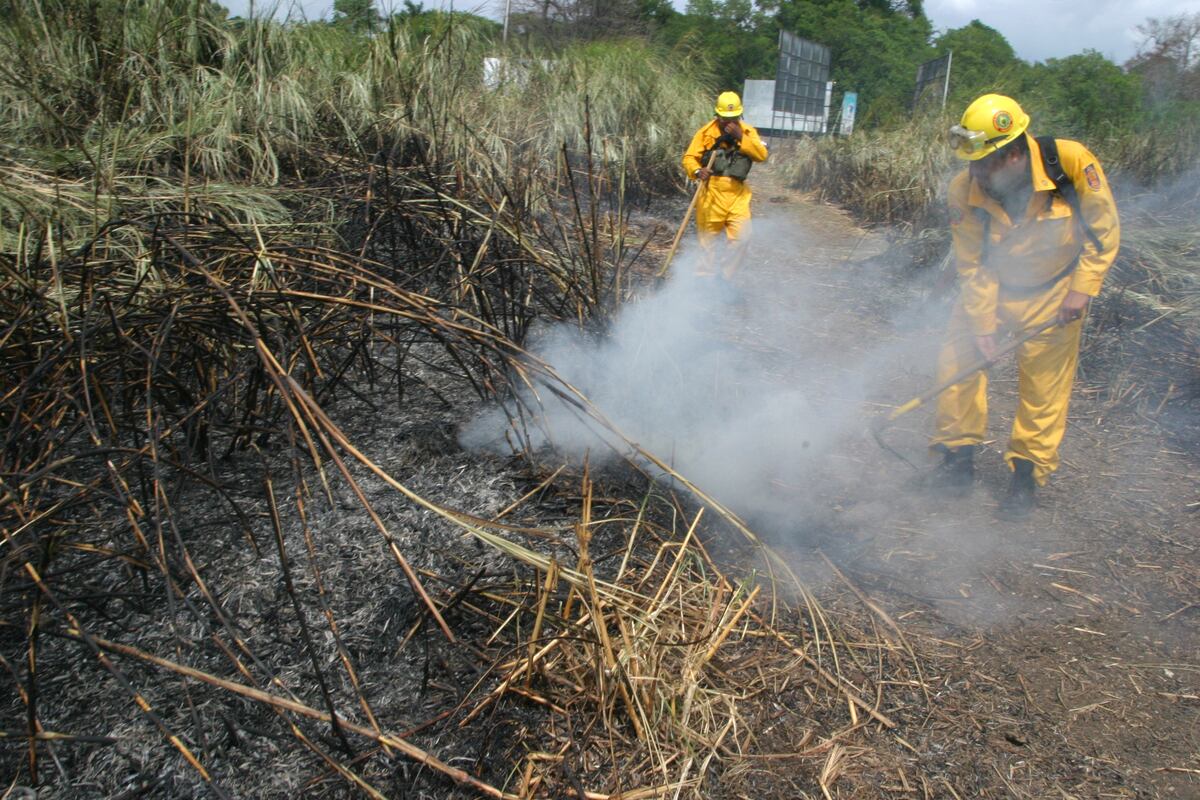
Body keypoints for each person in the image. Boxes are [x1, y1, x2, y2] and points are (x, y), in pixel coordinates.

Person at [929, 93, 1120, 518]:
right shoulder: (964, 190)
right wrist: (982, 325)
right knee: (957, 369)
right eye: (971, 162)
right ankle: (956, 464)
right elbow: (972, 264)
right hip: (991, 290)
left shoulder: (1069, 164)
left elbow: (1103, 232)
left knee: (1043, 391)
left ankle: (1025, 479)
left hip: (1053, 293)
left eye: (984, 162)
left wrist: (1082, 289)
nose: (974, 171)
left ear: (1014, 153)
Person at [681, 91, 769, 285]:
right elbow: (689, 158)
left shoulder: (748, 132)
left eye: (734, 118)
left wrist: (741, 138)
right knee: (707, 243)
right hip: (711, 193)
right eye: (725, 118)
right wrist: (697, 172)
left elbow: (761, 155)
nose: (729, 122)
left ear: (740, 115)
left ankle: (725, 279)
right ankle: (704, 282)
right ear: (717, 115)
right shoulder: (705, 133)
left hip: (738, 194)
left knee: (743, 238)